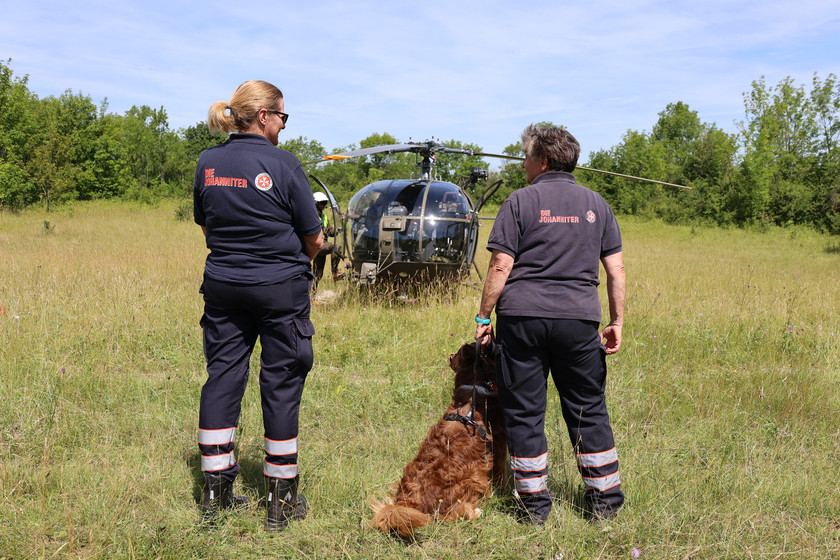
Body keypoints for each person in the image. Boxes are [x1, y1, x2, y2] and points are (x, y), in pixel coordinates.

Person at [474, 124, 626, 524]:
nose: (523, 164)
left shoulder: (520, 201)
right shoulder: (598, 204)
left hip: (522, 320)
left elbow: (501, 264)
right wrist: (616, 321)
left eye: (525, 156)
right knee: (587, 409)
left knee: (525, 412)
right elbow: (616, 270)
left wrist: (482, 315)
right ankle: (605, 503)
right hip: (579, 320)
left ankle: (534, 507)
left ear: (542, 161)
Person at [193, 80, 323, 531]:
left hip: (223, 286)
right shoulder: (284, 164)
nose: (285, 125)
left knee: (223, 378)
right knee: (282, 383)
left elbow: (207, 229)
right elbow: (314, 238)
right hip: (279, 290)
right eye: (283, 116)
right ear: (264, 116)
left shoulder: (207, 162)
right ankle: (281, 500)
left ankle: (215, 493)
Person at [311, 191, 344, 292]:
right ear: (315, 203)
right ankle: (335, 273)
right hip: (315, 245)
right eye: (321, 203)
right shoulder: (311, 216)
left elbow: (329, 231)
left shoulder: (324, 217)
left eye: (325, 203)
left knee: (318, 274)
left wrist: (337, 230)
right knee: (336, 246)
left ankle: (311, 297)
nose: (323, 205)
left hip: (323, 245)